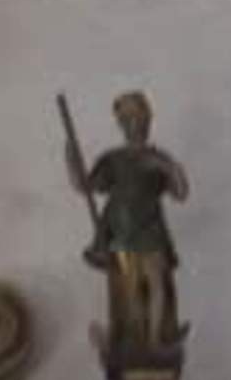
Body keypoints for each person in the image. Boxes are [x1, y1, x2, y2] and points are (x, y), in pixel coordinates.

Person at [63, 90, 190, 363]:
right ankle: (128, 339)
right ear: (122, 124)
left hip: (151, 227)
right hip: (121, 229)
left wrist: (171, 168)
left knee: (157, 282)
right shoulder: (113, 159)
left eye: (143, 118)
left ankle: (156, 340)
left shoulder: (157, 157)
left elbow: (181, 193)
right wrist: (72, 160)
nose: (139, 124)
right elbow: (86, 186)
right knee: (128, 287)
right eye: (131, 119)